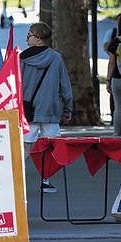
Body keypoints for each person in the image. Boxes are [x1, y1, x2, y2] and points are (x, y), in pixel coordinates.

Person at [21, 22, 73, 194]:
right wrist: (68, 108)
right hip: (50, 110)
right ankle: (46, 179)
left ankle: (17, 179)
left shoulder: (22, 58)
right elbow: (64, 85)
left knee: (26, 147)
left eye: (30, 35)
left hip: (29, 111)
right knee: (52, 146)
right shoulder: (56, 58)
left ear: (39, 38)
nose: (27, 37)